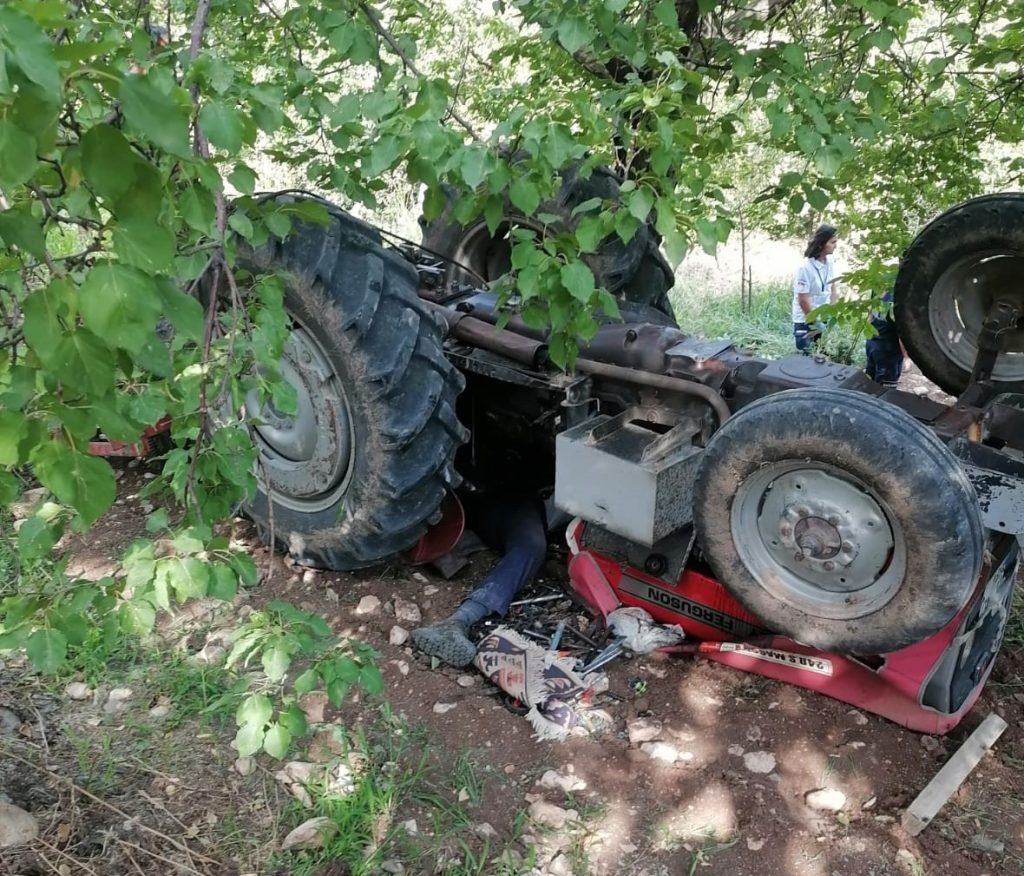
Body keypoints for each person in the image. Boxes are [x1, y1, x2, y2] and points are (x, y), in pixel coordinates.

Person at [411, 492, 548, 667]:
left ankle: (457, 622)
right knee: (530, 546)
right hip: (505, 495)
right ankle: (460, 619)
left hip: (457, 495)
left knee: (530, 545)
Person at [792, 224, 838, 352]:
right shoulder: (805, 267)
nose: (835, 245)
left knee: (820, 357)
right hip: (806, 320)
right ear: (821, 244)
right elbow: (803, 300)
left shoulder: (830, 263)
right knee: (806, 360)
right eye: (832, 242)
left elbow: (833, 289)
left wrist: (830, 312)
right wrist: (815, 321)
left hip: (822, 319)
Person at [865, 291, 905, 389]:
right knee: (885, 391)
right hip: (889, 351)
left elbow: (870, 316)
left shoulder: (878, 289)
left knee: (868, 382)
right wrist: (907, 356)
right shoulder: (900, 297)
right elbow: (903, 330)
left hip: (873, 344)